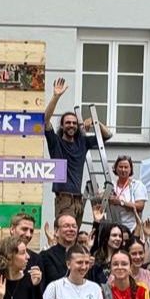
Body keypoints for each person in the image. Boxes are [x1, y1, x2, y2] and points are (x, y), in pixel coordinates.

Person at [43, 77, 113, 222]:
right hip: (64, 198)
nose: (71, 125)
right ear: (62, 126)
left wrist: (96, 123)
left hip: (78, 199)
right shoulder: (56, 142)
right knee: (66, 234)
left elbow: (107, 136)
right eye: (67, 122)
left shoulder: (82, 142)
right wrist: (56, 97)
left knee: (73, 238)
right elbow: (45, 120)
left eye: (74, 123)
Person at [106, 155, 147, 232]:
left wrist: (120, 202)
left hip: (132, 229)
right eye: (120, 167)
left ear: (130, 169)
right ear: (115, 168)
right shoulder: (111, 185)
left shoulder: (137, 185)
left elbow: (140, 206)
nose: (123, 170)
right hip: (113, 229)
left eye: (126, 167)